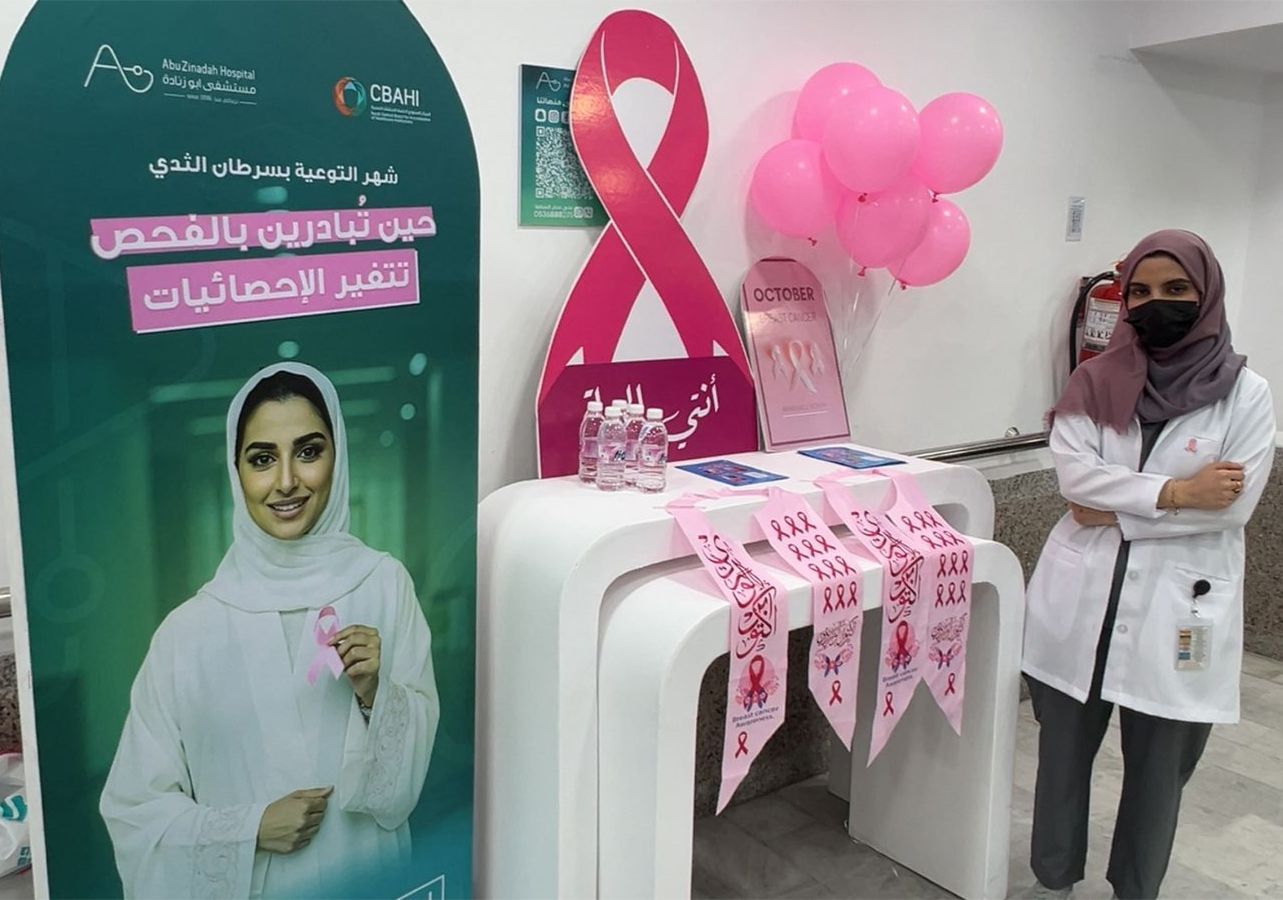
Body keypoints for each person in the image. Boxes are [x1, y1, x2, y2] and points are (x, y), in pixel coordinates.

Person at [101, 362, 440, 899]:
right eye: (262, 459)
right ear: (236, 471)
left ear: (337, 456)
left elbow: (405, 788)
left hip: (370, 879)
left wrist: (377, 696)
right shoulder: (186, 634)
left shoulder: (382, 585)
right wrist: (250, 829)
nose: (286, 481)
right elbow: (135, 810)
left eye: (308, 452)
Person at [1021, 230, 1276, 900]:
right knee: (1061, 759)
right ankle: (1053, 880)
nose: (1155, 303)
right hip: (1081, 603)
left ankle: (1135, 889)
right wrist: (1177, 493)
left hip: (1178, 608)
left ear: (1206, 294)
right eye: (1140, 291)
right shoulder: (1092, 380)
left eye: (1175, 289)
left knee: (1159, 773)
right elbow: (1076, 481)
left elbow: (1231, 506)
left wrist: (1116, 509)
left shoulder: (1245, 395)